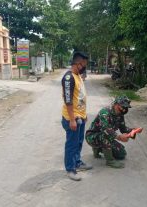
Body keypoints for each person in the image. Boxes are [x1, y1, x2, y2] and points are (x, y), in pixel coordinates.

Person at [85, 96, 143, 168]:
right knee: (105, 135)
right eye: (123, 107)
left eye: (126, 107)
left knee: (121, 154)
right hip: (92, 137)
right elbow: (106, 130)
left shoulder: (120, 115)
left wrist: (134, 130)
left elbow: (123, 129)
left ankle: (98, 148)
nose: (124, 109)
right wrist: (119, 137)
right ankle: (110, 161)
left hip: (107, 137)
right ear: (116, 104)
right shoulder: (105, 113)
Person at [61, 51, 92, 181]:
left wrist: (84, 115)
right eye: (83, 64)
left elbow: (79, 97)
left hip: (80, 117)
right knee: (71, 144)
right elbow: (68, 101)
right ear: (78, 64)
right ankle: (70, 169)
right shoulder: (69, 78)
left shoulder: (78, 75)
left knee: (79, 142)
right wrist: (72, 119)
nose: (84, 67)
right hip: (72, 118)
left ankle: (77, 162)